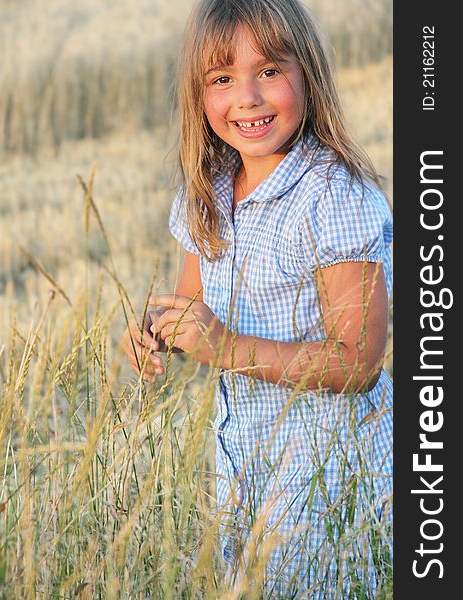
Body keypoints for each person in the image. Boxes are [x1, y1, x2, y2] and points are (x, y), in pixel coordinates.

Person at [123, 0, 393, 596]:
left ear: (309, 75)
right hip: (241, 474)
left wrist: (224, 345)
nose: (246, 97)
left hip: (328, 482)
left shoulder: (333, 196)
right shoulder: (208, 198)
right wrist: (154, 334)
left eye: (269, 70)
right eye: (221, 79)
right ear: (199, 98)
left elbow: (360, 362)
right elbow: (189, 312)